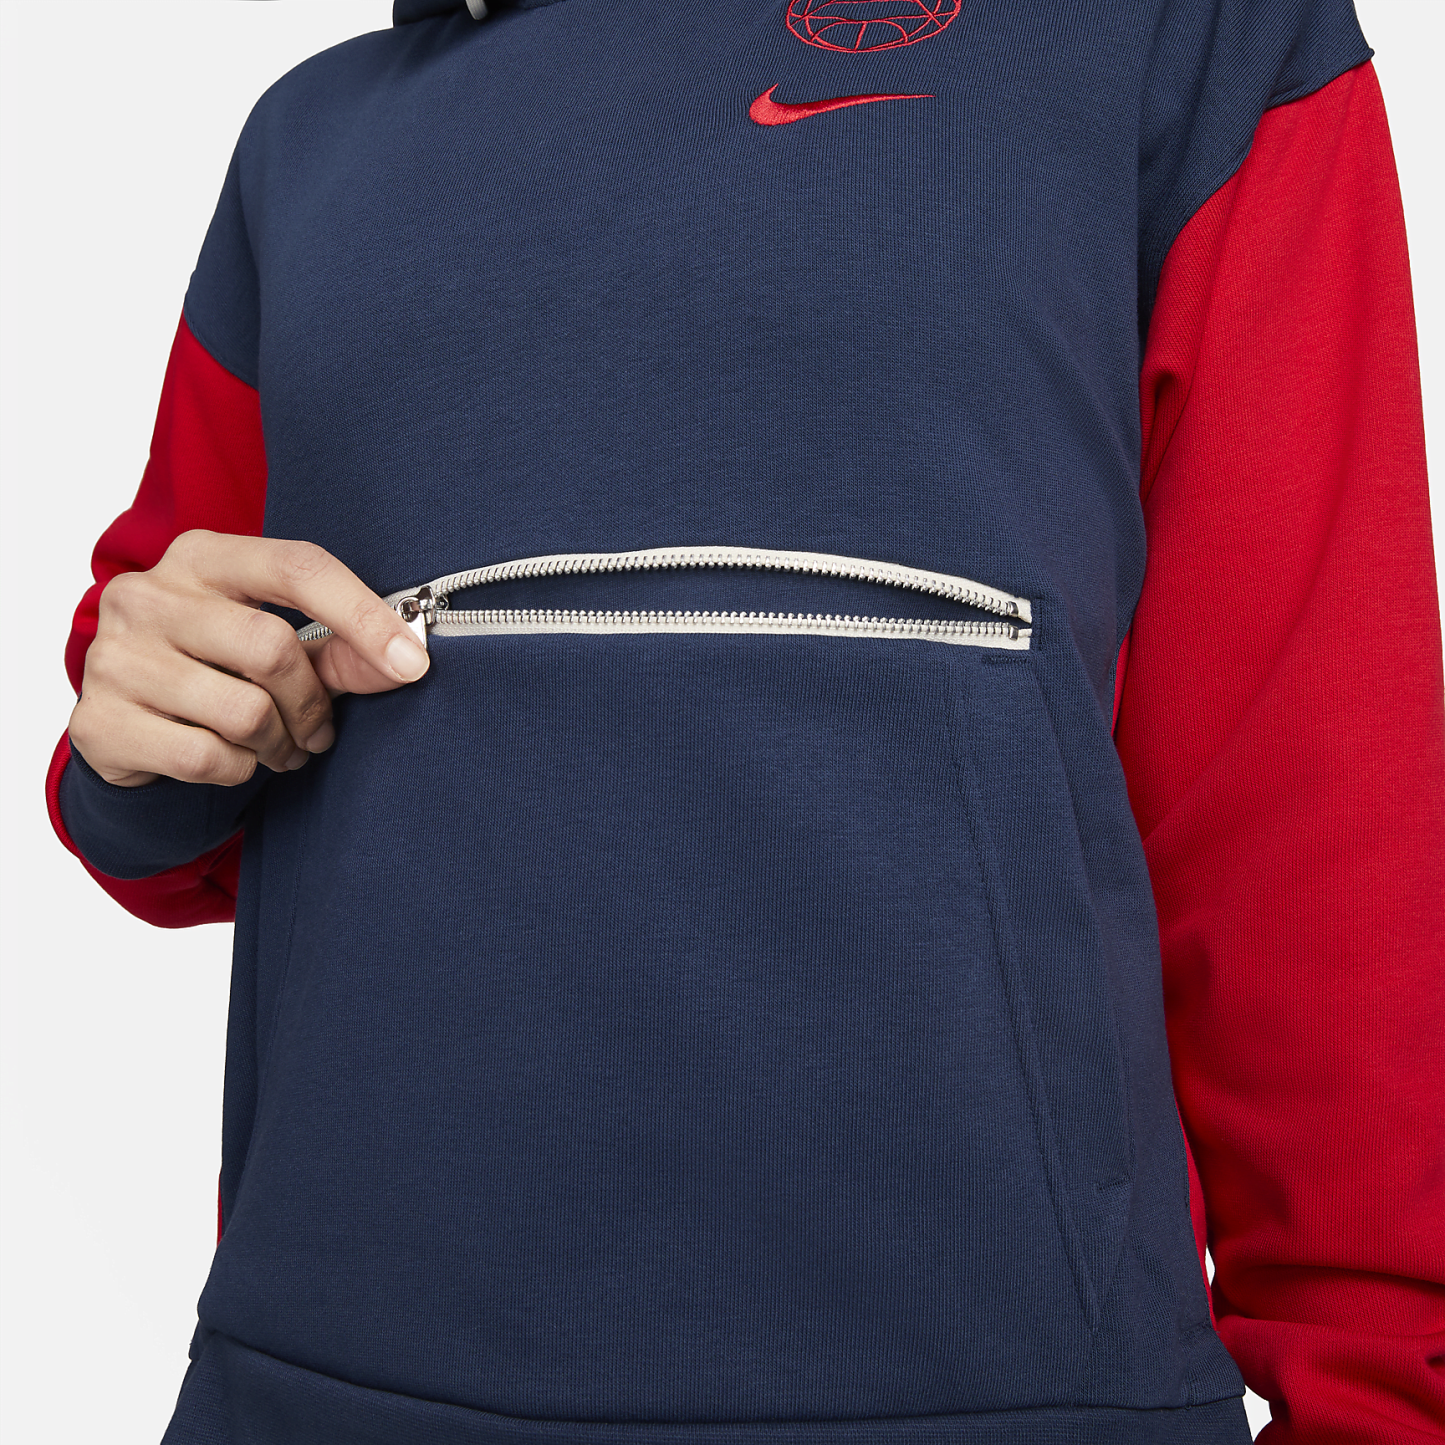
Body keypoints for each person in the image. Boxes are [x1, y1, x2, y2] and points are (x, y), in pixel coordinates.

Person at [46, 0, 1443, 1441]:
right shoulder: (309, 137)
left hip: (1005, 1391)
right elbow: (168, 752)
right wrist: (140, 732)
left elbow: (1320, 800)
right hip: (313, 1380)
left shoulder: (1180, 30)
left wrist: (1381, 1396)